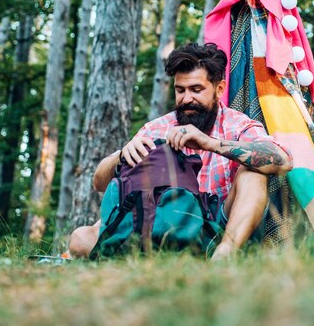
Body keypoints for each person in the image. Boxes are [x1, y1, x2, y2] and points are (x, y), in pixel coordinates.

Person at [68, 42, 293, 260]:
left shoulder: (238, 125)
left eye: (196, 89)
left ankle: (223, 257)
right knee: (80, 239)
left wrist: (208, 143)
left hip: (218, 228)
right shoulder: (156, 129)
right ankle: (151, 253)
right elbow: (99, 184)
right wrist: (121, 155)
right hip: (164, 223)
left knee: (253, 173)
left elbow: (282, 161)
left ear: (219, 89)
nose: (187, 99)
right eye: (180, 90)